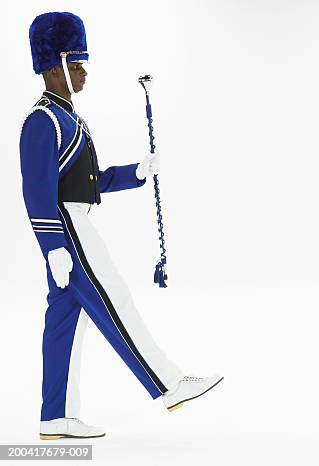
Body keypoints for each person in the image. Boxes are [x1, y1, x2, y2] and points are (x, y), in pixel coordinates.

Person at [21, 12, 223, 440]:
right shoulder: (42, 121)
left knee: (62, 325)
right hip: (67, 230)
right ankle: (168, 384)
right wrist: (52, 246)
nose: (84, 71)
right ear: (55, 65)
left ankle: (54, 416)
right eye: (77, 64)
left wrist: (136, 172)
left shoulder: (70, 117)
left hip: (74, 223)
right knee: (117, 302)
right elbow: (37, 191)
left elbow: (89, 180)